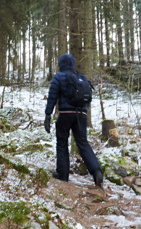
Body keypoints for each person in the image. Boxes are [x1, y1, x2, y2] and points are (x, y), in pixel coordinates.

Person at [44, 53, 104, 186]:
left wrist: (48, 115)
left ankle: (63, 174)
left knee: (62, 143)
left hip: (65, 114)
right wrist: (84, 111)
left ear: (61, 64)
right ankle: (96, 172)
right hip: (81, 116)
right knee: (83, 143)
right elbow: (88, 97)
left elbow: (52, 97)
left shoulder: (58, 77)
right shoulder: (81, 77)